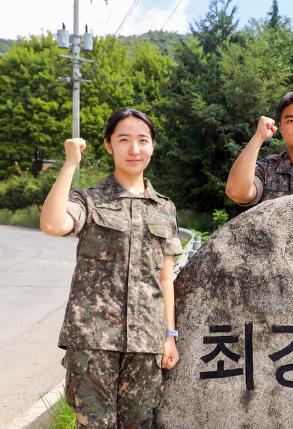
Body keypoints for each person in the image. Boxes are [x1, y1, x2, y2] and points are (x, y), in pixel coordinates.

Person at [40, 108, 182, 428]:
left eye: (142, 140)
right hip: (93, 341)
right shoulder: (89, 200)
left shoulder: (164, 208)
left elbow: (165, 278)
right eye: (124, 140)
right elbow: (52, 223)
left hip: (146, 343)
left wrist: (169, 335)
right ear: (109, 145)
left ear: (153, 146)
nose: (134, 149)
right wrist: (70, 164)